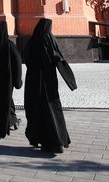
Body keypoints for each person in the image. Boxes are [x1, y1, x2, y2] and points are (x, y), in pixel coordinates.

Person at [23, 18, 77, 154]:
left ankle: (39, 137)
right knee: (51, 108)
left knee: (36, 108)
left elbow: (26, 56)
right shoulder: (49, 38)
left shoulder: (33, 39)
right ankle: (56, 141)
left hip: (34, 81)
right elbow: (56, 56)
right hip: (48, 80)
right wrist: (68, 77)